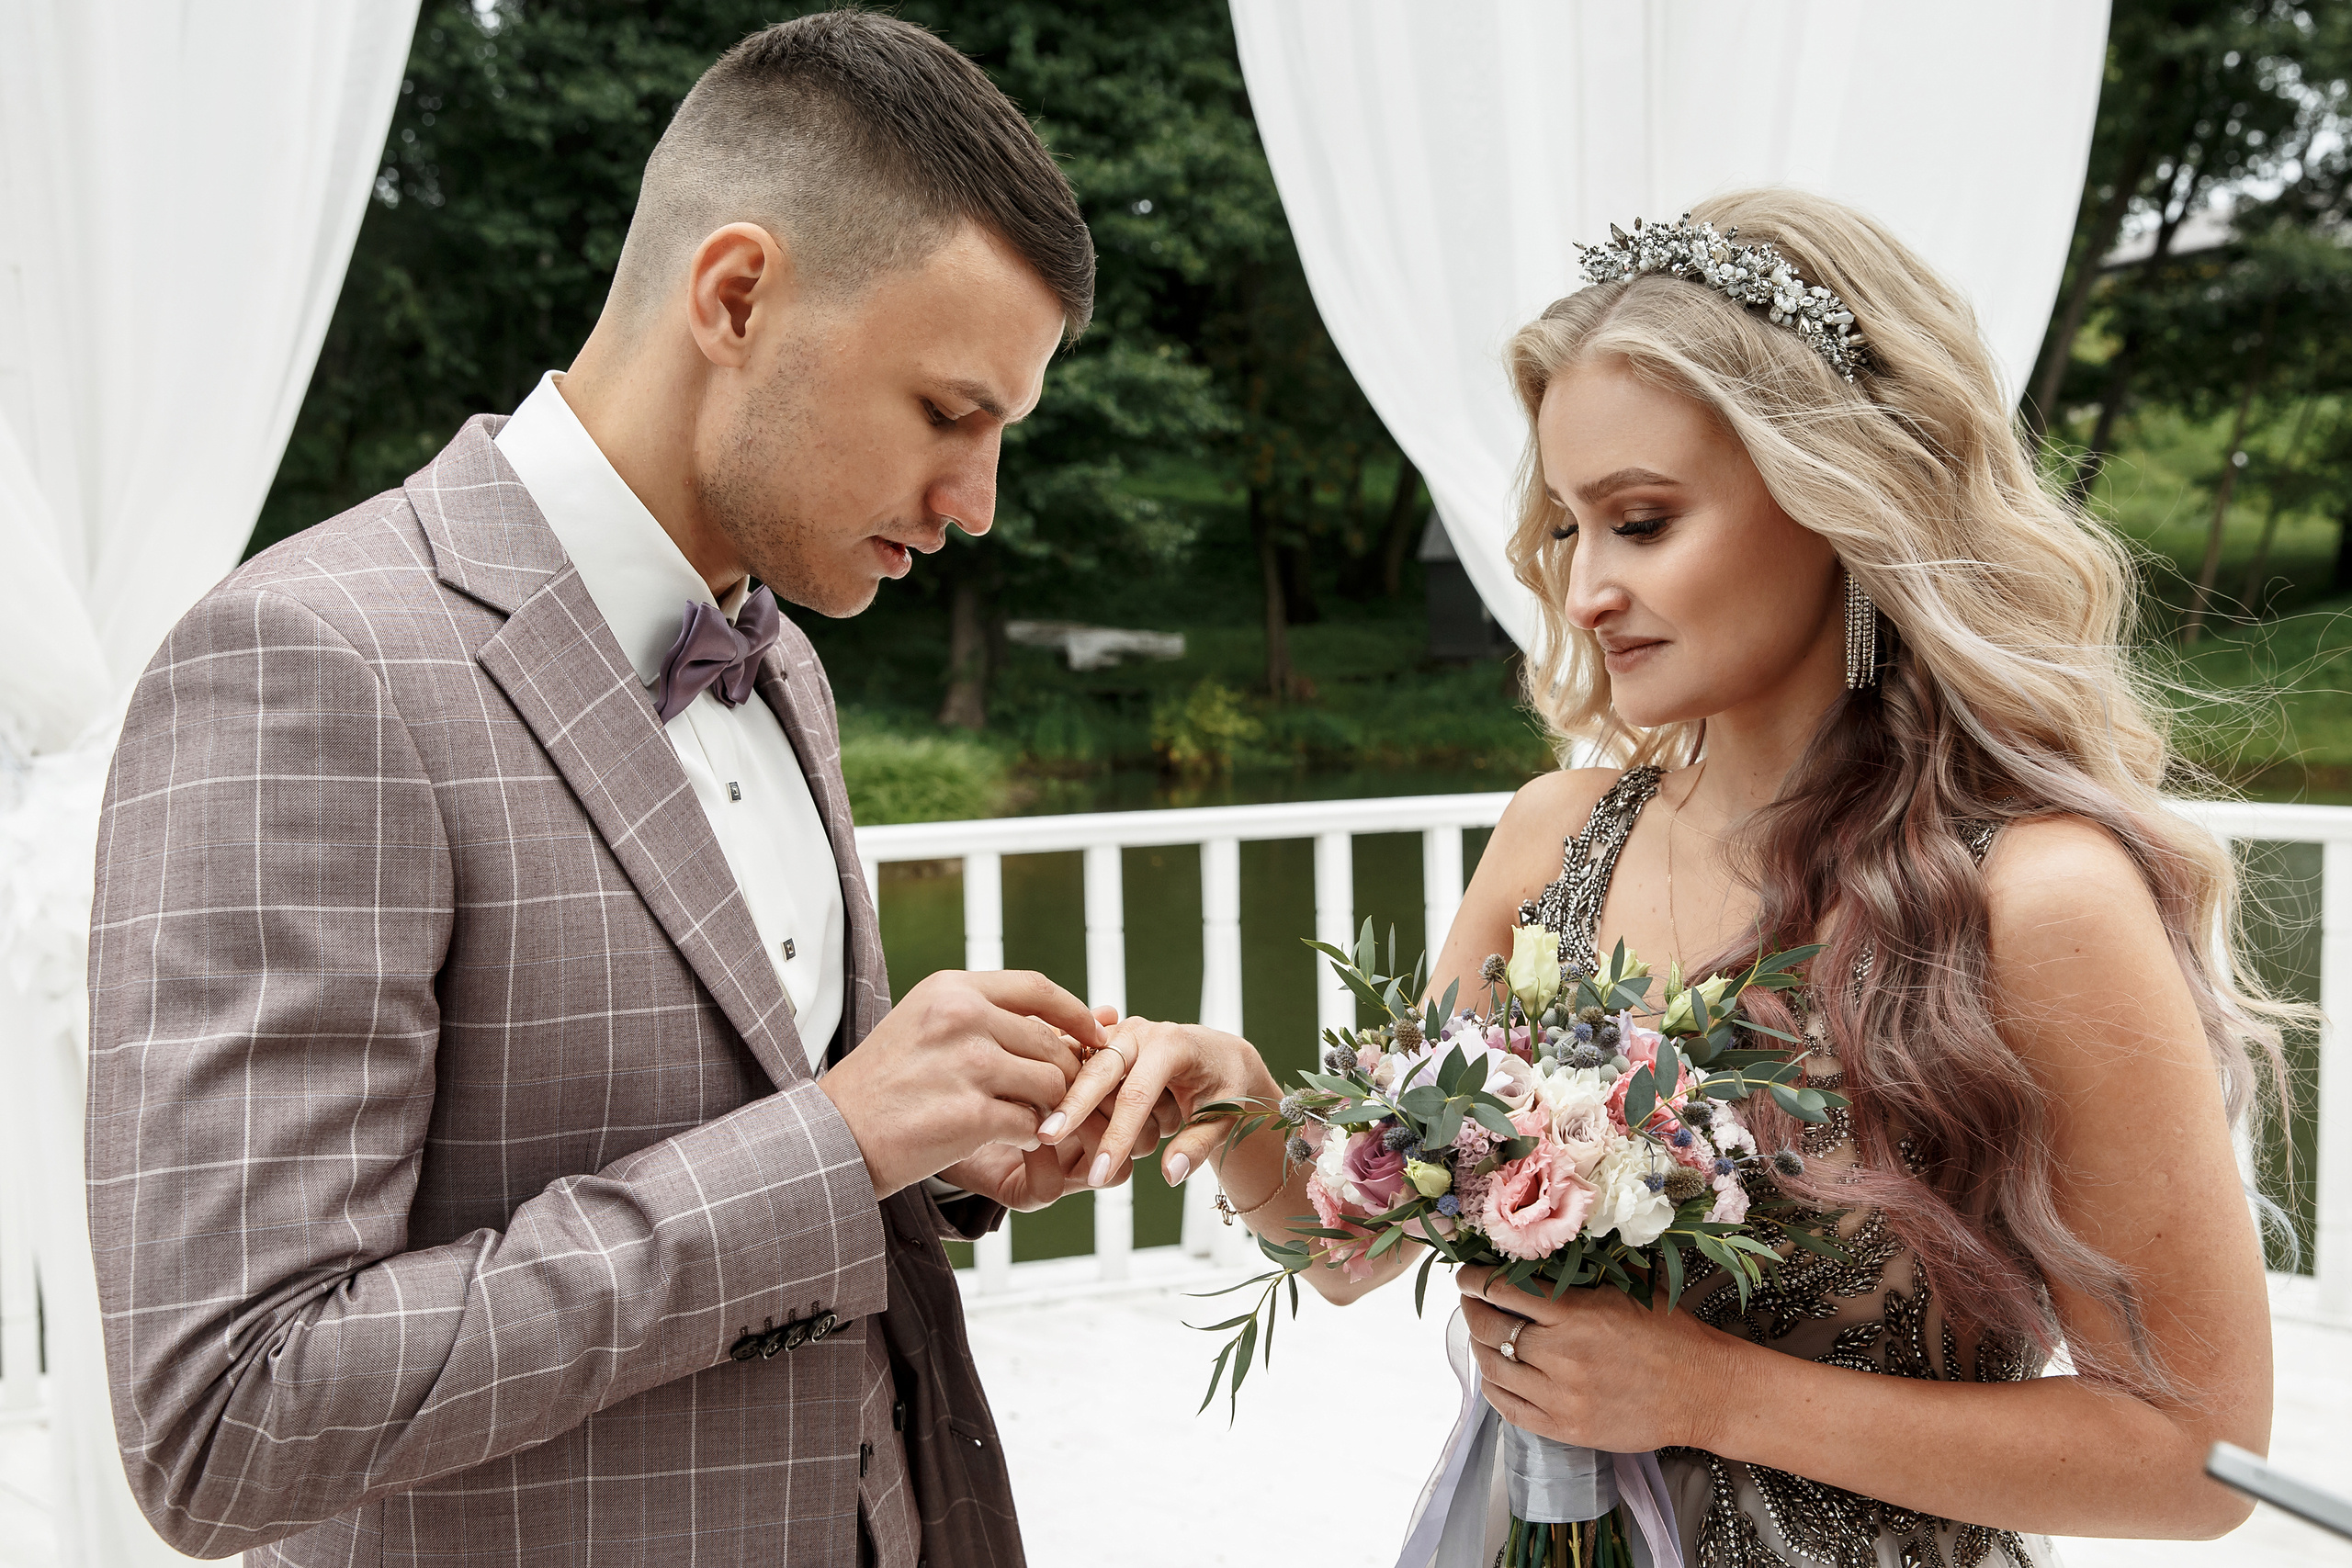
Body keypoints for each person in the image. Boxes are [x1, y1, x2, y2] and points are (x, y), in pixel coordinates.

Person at [1056, 189, 2286, 1563]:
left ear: (1836, 502)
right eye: (1571, 528)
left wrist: (1711, 1393)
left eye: (1640, 521)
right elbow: (1355, 1251)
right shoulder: (1553, 842)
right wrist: (1237, 1107)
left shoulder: (2035, 899)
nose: (1581, 590)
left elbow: (2196, 1459)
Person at [85, 13, 1170, 1565]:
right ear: (736, 295)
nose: (976, 505)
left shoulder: (778, 652)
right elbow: (231, 1418)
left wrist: (939, 1148)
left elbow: (768, 1138)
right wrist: (839, 1145)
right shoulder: (305, 666)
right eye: (950, 412)